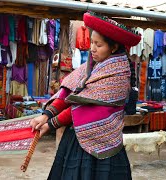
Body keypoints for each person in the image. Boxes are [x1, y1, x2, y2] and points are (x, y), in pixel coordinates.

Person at [30, 12, 141, 180]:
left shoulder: (118, 75)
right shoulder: (90, 66)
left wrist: (51, 124)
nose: (92, 49)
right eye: (92, 43)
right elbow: (68, 92)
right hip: (76, 140)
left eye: (99, 45)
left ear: (113, 47)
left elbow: (84, 108)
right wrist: (46, 115)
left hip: (105, 145)